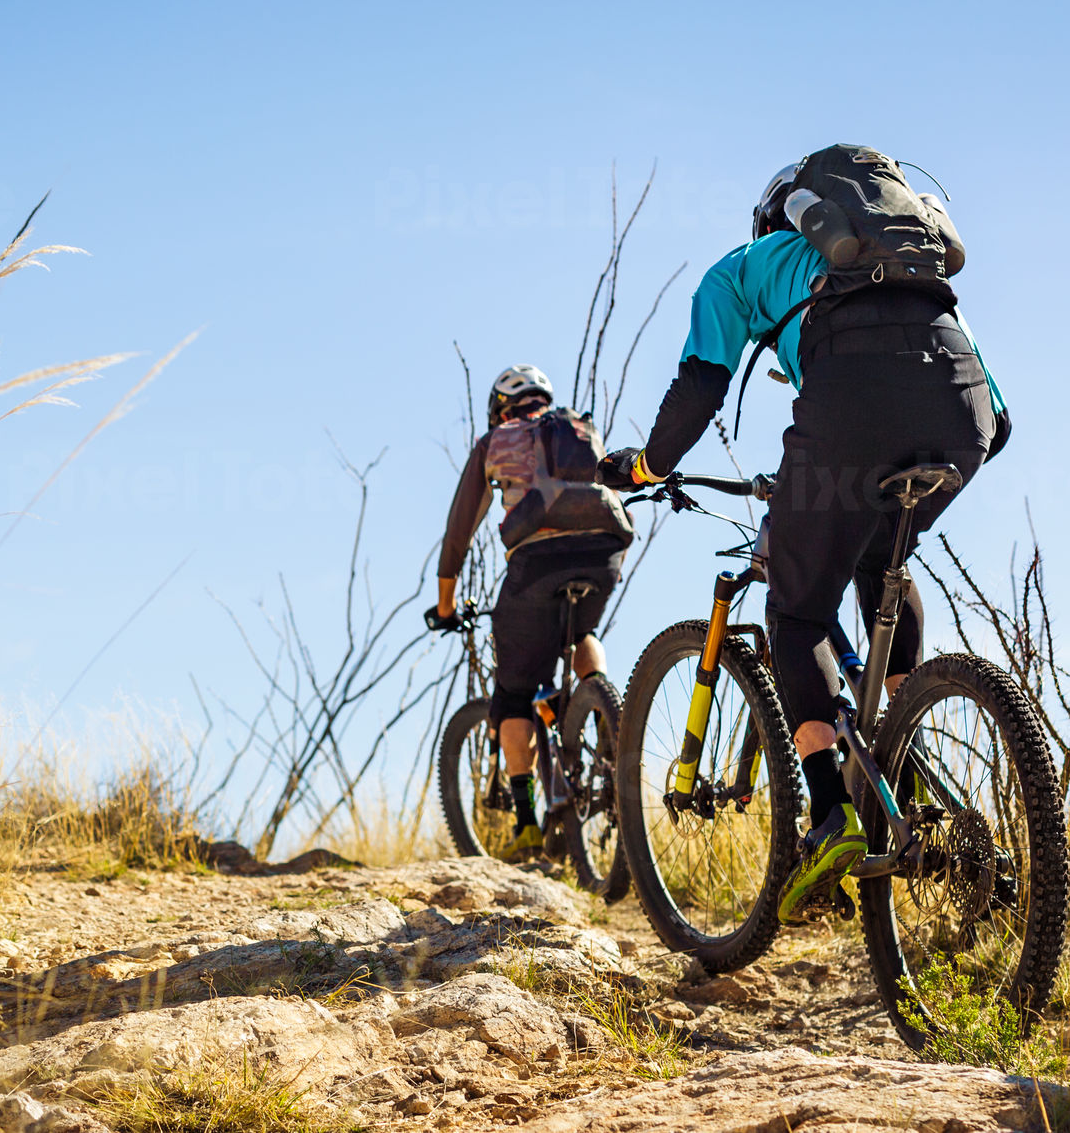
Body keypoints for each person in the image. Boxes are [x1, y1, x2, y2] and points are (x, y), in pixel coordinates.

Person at [598, 149, 1009, 922]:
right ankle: (904, 727)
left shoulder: (741, 267)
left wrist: (648, 466)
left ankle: (829, 815)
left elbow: (699, 388)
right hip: (964, 420)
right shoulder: (917, 278)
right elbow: (1000, 413)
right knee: (877, 555)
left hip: (851, 406)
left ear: (778, 217)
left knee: (797, 609)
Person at [429, 364, 635, 861]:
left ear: (501, 408)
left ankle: (524, 827)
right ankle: (601, 710)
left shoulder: (496, 441)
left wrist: (446, 604)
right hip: (604, 554)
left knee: (515, 693)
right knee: (580, 628)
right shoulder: (579, 426)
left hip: (536, 564)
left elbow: (461, 529)